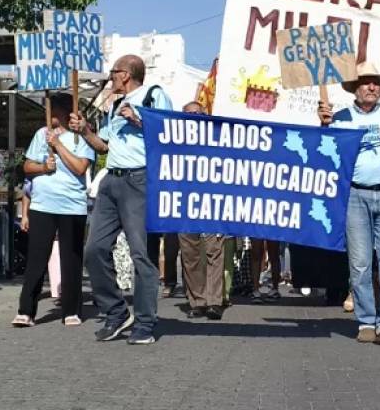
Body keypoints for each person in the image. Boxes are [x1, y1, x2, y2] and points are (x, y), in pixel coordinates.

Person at [71, 55, 172, 345]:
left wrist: (139, 121)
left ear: (126, 74)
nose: (110, 78)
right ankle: (115, 311)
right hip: (111, 180)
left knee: (141, 254)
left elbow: (170, 135)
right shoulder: (114, 105)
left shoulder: (154, 96)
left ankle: (144, 322)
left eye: (114, 73)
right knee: (94, 249)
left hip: (139, 180)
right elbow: (103, 144)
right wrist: (86, 130)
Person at [318, 62, 380, 346]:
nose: (373, 86)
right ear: (355, 88)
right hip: (354, 196)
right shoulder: (339, 118)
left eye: (376, 82)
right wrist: (323, 126)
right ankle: (365, 321)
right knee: (360, 263)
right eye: (366, 82)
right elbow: (324, 157)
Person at [12, 93, 94, 327]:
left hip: (71, 206)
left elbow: (80, 168)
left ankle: (71, 310)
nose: (50, 113)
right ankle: (26, 310)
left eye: (53, 108)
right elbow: (27, 166)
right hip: (42, 205)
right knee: (37, 258)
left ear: (65, 111)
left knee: (71, 259)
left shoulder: (81, 137)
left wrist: (58, 146)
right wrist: (42, 167)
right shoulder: (41, 134)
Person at [177, 102, 227, 320]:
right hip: (185, 205)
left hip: (212, 203)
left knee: (215, 252)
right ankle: (197, 301)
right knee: (190, 255)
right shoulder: (174, 142)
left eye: (198, 114)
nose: (194, 117)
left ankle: (215, 302)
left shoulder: (217, 141)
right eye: (189, 114)